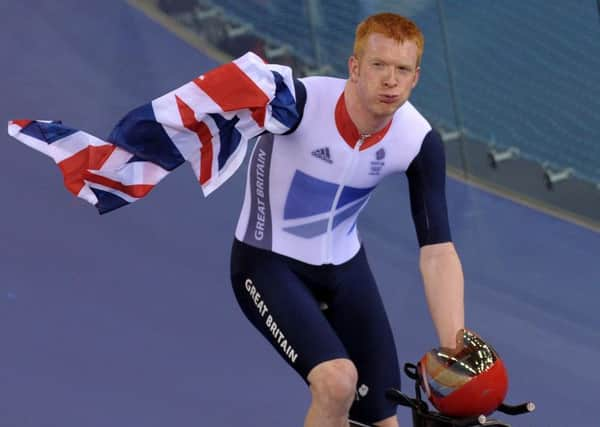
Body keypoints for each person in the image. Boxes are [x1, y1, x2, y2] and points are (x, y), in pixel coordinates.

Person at [8, 12, 464, 427]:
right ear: (354, 67)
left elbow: (438, 250)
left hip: (347, 271)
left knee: (386, 420)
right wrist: (118, 162)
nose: (390, 81)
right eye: (379, 65)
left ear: (416, 77)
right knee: (336, 382)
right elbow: (201, 110)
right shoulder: (296, 103)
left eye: (402, 70)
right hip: (267, 265)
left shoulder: (418, 141)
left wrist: (454, 347)